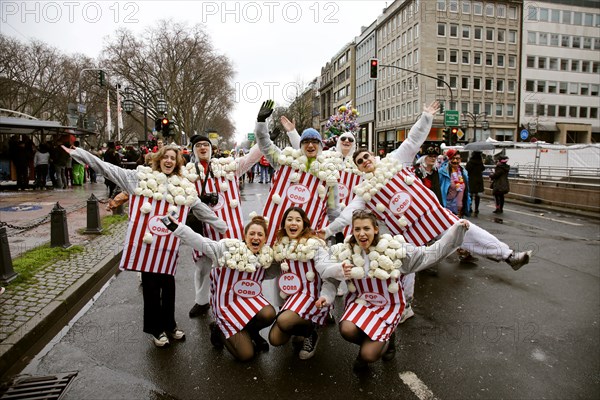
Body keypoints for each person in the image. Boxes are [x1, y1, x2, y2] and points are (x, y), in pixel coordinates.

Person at [321, 101, 532, 271]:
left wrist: (426, 117)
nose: (365, 161)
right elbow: (346, 215)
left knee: (470, 233)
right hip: (407, 232)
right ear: (359, 168)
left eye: (366, 157)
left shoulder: (396, 160)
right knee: (405, 267)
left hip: (434, 215)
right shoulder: (364, 191)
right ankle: (404, 305)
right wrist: (328, 230)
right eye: (360, 162)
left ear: (373, 156)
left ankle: (508, 255)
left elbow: (412, 140)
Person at [63, 144, 227, 347]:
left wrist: (222, 226)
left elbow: (200, 209)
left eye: (172, 158)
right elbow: (108, 169)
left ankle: (170, 325)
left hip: (168, 247)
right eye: (165, 157)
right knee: (150, 289)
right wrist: (79, 154)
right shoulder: (139, 177)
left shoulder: (184, 185)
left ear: (177, 163)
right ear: (158, 159)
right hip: (146, 247)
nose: (169, 161)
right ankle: (156, 330)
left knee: (168, 287)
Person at [333, 210, 470, 370]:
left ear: (376, 229)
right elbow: (323, 265)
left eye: (366, 228)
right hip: (361, 303)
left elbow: (429, 254)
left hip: (387, 306)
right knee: (346, 329)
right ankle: (375, 338)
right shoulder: (347, 251)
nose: (362, 234)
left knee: (368, 355)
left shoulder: (393, 249)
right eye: (357, 229)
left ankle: (387, 340)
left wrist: (455, 231)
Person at [187, 104, 268, 319]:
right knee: (203, 267)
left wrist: (263, 131)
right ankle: (201, 301)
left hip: (228, 229)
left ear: (212, 148)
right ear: (194, 150)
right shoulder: (186, 173)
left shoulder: (228, 168)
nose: (203, 148)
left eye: (206, 144)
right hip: (203, 229)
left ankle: (234, 300)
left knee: (233, 265)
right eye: (199, 146)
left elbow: (252, 156)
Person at [170, 215, 276, 361]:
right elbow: (201, 242)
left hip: (250, 302)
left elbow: (274, 272)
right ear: (244, 236)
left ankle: (249, 332)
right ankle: (219, 330)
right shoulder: (227, 249)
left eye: (260, 234)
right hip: (226, 305)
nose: (255, 237)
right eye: (252, 233)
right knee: (247, 355)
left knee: (269, 313)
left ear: (265, 239)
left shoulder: (266, 257)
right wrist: (178, 228)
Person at [268, 207, 344, 360]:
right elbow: (271, 270)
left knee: (283, 321)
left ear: (304, 224)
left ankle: (311, 332)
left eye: (298, 220)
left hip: (312, 296)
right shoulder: (280, 245)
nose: (293, 223)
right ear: (284, 224)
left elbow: (325, 267)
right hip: (290, 297)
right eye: (289, 219)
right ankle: (299, 328)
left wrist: (339, 269)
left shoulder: (314, 244)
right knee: (275, 339)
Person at [439, 149, 470, 218]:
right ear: (449, 159)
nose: (455, 161)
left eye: (457, 158)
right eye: (453, 158)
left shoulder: (463, 172)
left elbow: (466, 190)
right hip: (447, 209)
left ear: (460, 160)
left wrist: (468, 202)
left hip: (460, 210)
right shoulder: (443, 172)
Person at [466, 151, 485, 215]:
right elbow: (483, 169)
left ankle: (470, 207)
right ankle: (476, 208)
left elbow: (467, 169)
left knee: (470, 194)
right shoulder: (480, 162)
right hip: (478, 180)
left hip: (471, 179)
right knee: (477, 195)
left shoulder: (470, 162)